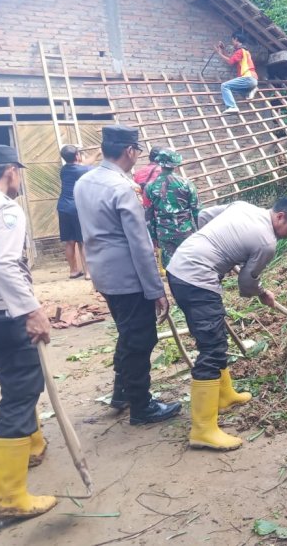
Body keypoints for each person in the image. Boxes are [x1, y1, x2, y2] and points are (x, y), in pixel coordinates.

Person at [166, 197, 287, 450]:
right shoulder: (267, 242)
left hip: (181, 266)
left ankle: (224, 395)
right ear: (281, 216)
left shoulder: (244, 206)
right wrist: (262, 293)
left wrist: (221, 247)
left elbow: (204, 216)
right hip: (197, 278)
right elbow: (246, 285)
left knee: (216, 337)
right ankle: (203, 429)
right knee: (211, 349)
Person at [74, 126, 181, 425]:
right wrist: (155, 288)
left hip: (104, 274)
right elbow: (140, 243)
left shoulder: (85, 181)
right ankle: (141, 406)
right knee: (141, 339)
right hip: (128, 277)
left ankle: (121, 393)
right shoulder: (123, 187)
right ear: (129, 151)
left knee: (127, 332)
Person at [0, 145, 56, 520]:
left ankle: (31, 446)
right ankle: (8, 496)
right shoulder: (4, 208)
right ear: (11, 171)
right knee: (21, 391)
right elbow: (1, 263)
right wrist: (31, 311)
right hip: (2, 312)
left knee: (10, 379)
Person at [144, 149, 200, 268]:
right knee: (188, 263)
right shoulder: (186, 183)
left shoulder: (150, 186)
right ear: (175, 164)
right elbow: (196, 210)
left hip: (163, 233)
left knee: (171, 266)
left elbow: (149, 215)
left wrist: (153, 236)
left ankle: (173, 285)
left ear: (160, 164)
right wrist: (201, 231)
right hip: (185, 231)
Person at [57, 144, 91, 280]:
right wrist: (97, 153)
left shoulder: (64, 170)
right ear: (77, 156)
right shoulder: (83, 170)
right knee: (83, 241)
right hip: (77, 208)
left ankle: (73, 271)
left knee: (69, 241)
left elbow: (81, 164)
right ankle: (88, 272)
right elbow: (87, 166)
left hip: (63, 207)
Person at [215, 32, 258, 114]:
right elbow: (232, 58)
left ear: (236, 39)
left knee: (225, 86)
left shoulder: (240, 51)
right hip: (253, 80)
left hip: (247, 78)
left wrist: (219, 53)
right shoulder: (245, 51)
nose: (232, 42)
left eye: (233, 40)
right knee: (234, 89)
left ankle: (232, 107)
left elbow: (231, 61)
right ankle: (251, 90)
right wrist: (223, 50)